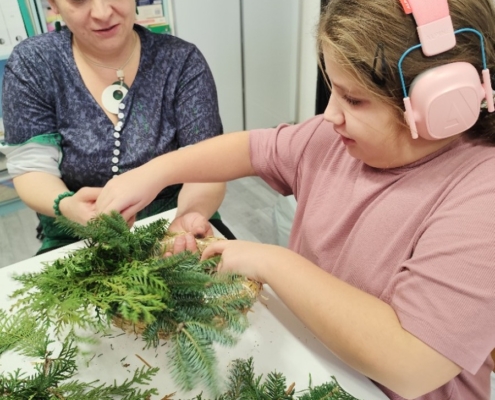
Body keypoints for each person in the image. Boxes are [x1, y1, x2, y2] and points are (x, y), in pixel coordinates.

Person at [96, 0, 495, 398]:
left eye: (353, 99)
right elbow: (253, 148)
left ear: (442, 103)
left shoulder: (481, 196)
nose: (329, 115)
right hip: (310, 364)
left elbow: (413, 366)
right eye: (332, 91)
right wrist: (155, 173)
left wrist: (272, 261)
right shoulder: (334, 140)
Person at [0, 0, 229, 254]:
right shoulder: (34, 63)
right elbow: (31, 167)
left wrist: (190, 218)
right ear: (54, 4)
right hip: (78, 237)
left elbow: (209, 164)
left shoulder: (182, 61)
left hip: (177, 224)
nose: (102, 13)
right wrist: (66, 204)